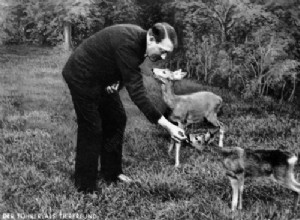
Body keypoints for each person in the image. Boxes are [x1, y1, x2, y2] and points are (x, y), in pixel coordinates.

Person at [62, 22, 187, 193]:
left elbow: (123, 66)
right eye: (163, 51)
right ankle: (85, 185)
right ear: (151, 37)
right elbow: (138, 94)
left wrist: (117, 82)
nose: (164, 57)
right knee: (92, 127)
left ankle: (112, 173)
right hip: (81, 76)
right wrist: (168, 126)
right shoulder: (130, 43)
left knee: (117, 119)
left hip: (101, 79)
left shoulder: (142, 43)